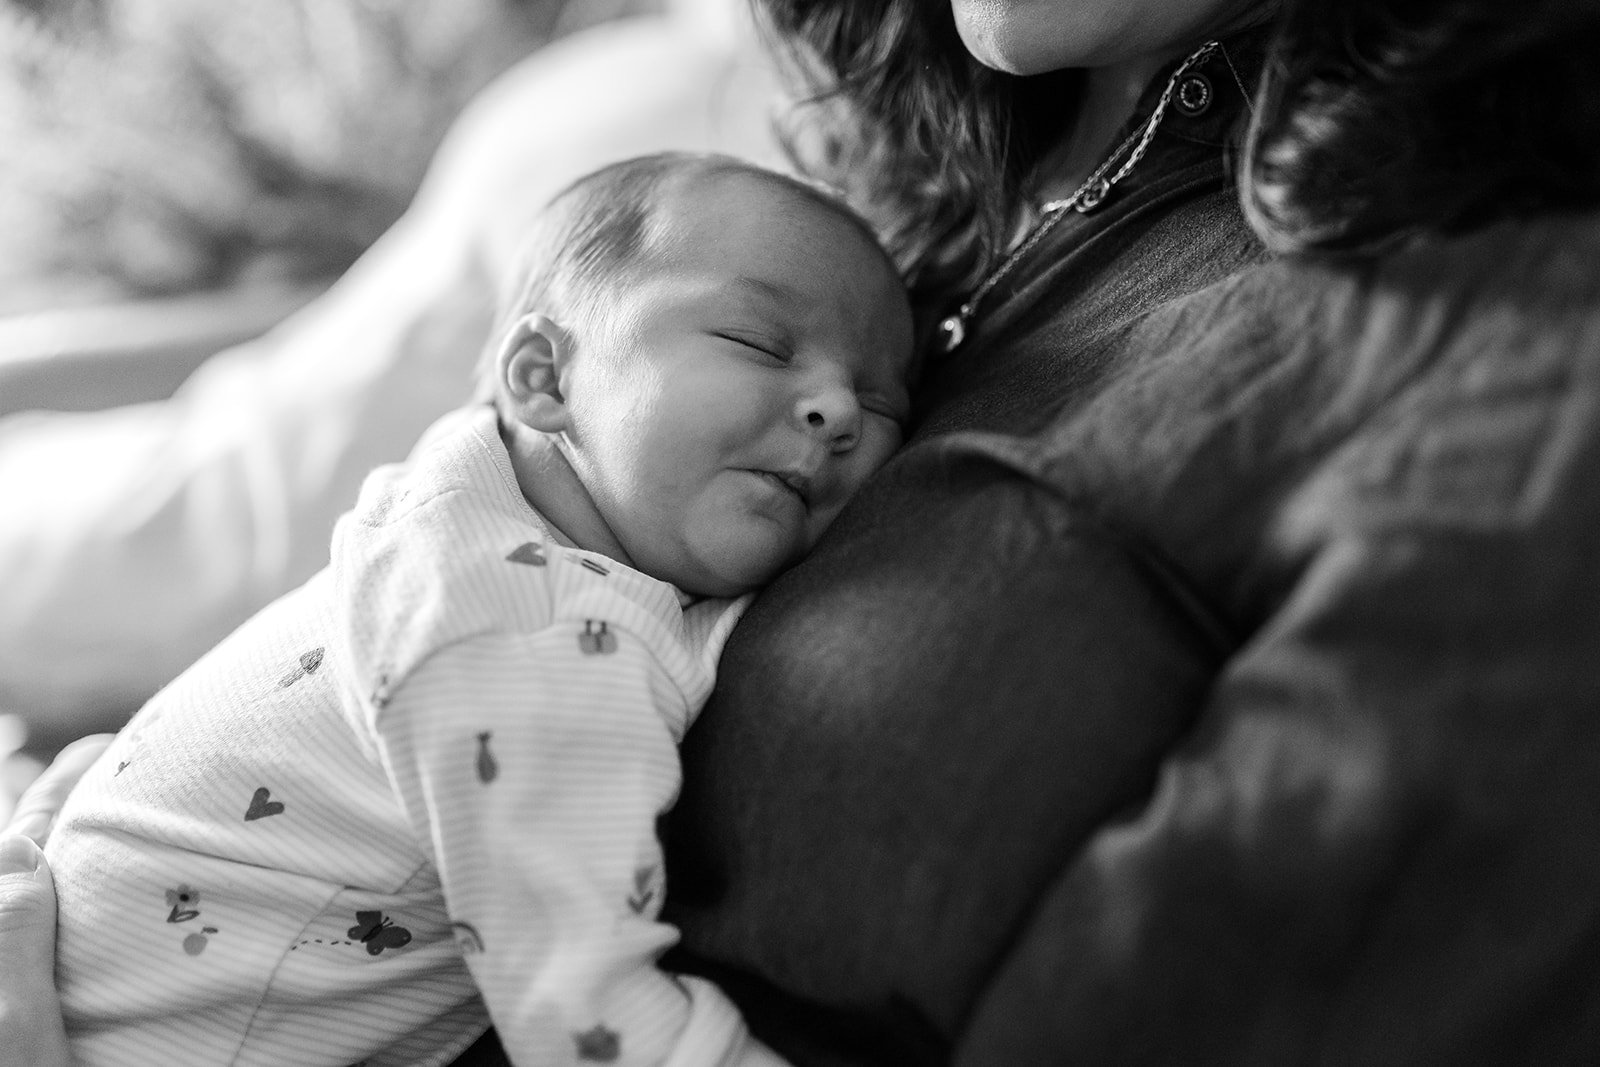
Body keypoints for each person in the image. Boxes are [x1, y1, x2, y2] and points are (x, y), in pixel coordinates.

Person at [9, 0, 1600, 1063]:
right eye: (775, 358)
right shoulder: (909, 182)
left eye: (870, 391)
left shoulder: (1514, 365)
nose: (838, 415)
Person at [38, 153, 912, 1067]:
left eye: (883, 401)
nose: (837, 408)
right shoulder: (504, 627)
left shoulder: (506, 529)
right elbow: (588, 1015)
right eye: (761, 343)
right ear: (545, 375)